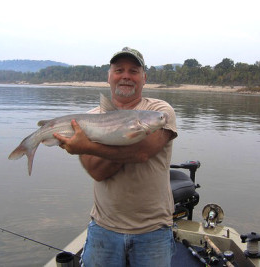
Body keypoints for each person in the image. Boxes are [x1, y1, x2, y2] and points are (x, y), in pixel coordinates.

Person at [53, 47, 178, 267]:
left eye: (134, 71)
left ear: (144, 78)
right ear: (109, 76)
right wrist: (119, 141)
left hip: (153, 229)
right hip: (104, 228)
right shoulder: (88, 119)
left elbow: (141, 153)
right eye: (119, 70)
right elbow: (98, 172)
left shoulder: (160, 110)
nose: (126, 76)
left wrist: (89, 146)